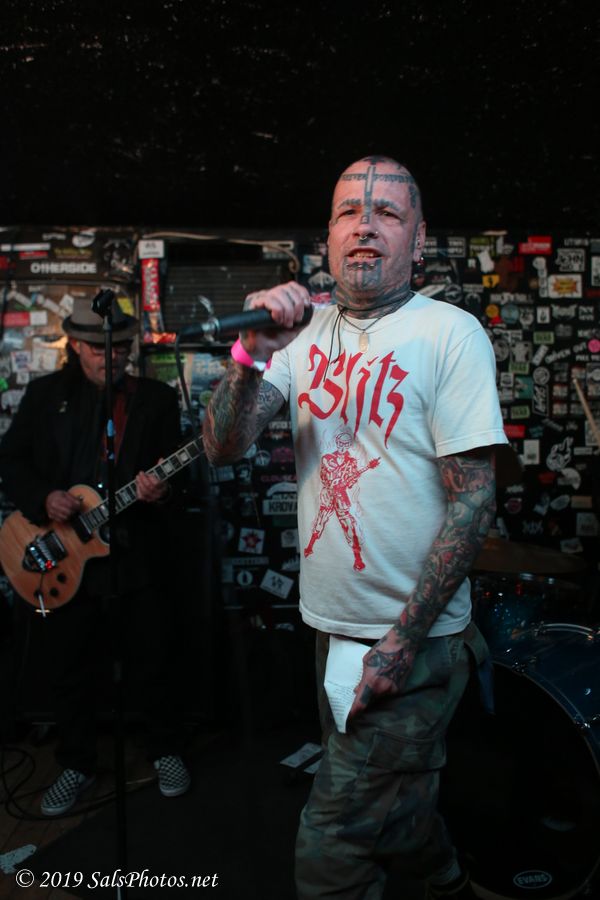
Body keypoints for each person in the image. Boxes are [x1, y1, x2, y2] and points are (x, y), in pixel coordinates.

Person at [203, 155, 507, 899]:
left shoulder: (450, 333)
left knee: (334, 840)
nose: (365, 226)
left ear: (419, 239)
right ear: (329, 236)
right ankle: (445, 881)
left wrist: (401, 643)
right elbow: (223, 446)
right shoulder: (299, 335)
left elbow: (473, 502)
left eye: (387, 213)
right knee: (394, 804)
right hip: (331, 628)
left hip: (415, 641)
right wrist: (249, 358)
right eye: (348, 212)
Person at [0, 298, 191, 815]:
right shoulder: (45, 396)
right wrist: (44, 497)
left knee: (154, 659)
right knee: (71, 668)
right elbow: (11, 460)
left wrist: (163, 492)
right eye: (99, 348)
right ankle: (77, 763)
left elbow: (183, 477)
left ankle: (165, 750)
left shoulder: (155, 399)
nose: (113, 356)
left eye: (122, 347)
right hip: (64, 556)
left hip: (136, 557)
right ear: (76, 347)